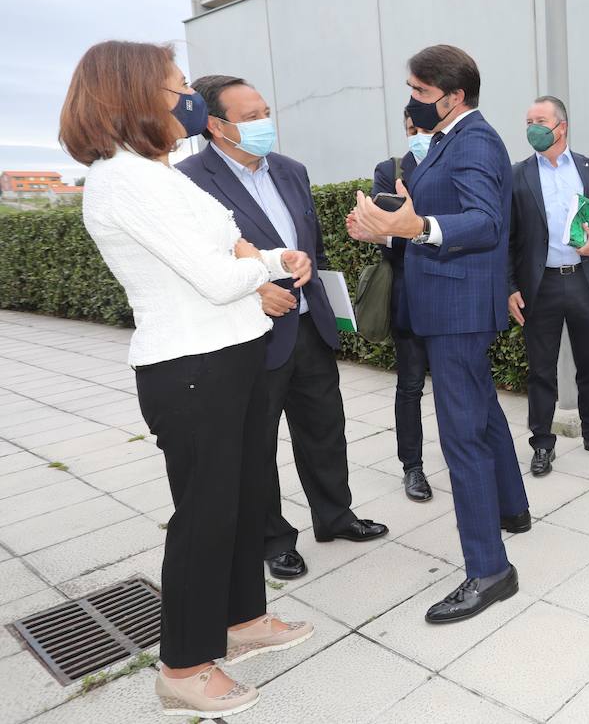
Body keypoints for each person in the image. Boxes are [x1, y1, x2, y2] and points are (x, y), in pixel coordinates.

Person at [61, 41, 314, 717]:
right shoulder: (127, 179)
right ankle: (183, 664)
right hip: (191, 367)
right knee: (204, 514)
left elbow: (229, 245)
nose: (187, 98)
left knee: (236, 497)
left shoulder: (155, 171)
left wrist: (267, 255)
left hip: (226, 354)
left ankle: (238, 619)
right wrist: (269, 265)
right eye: (176, 86)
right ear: (136, 96)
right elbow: (214, 273)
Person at [349, 45, 529, 625]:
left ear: (453, 97)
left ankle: (489, 570)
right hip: (445, 305)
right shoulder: (446, 140)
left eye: (420, 92)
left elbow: (485, 222)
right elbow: (425, 220)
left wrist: (417, 224)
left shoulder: (475, 139)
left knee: (462, 439)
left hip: (456, 309)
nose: (411, 101)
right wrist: (387, 228)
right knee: (481, 410)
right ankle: (513, 509)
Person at [182, 76, 388, 583]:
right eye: (250, 117)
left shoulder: (292, 171)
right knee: (256, 445)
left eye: (265, 112)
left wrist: (310, 270)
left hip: (308, 326)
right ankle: (272, 539)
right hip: (248, 335)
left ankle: (335, 516)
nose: (263, 124)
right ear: (216, 125)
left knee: (324, 428)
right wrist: (254, 290)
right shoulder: (189, 179)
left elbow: (306, 243)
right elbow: (193, 260)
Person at [508, 96, 589, 475]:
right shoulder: (518, 174)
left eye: (539, 120)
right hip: (539, 286)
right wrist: (509, 286)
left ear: (561, 126)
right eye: (528, 121)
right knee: (541, 369)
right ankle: (542, 443)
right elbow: (508, 237)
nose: (532, 128)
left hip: (584, 280)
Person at [372, 114, 433, 501]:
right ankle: (412, 467)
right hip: (408, 295)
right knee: (410, 386)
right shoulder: (389, 170)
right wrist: (419, 231)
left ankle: (469, 458)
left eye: (426, 130)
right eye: (413, 130)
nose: (420, 137)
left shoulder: (458, 164)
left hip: (453, 298)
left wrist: (414, 227)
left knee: (460, 385)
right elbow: (383, 233)